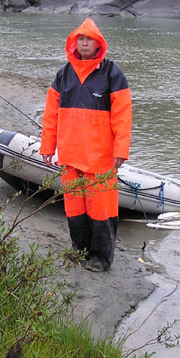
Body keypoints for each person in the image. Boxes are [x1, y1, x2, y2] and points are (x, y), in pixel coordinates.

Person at [40, 18, 132, 272]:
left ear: (98, 43)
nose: (83, 42)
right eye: (79, 39)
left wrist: (120, 151)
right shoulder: (64, 74)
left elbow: (123, 117)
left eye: (88, 39)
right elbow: (51, 114)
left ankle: (101, 258)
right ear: (74, 42)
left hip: (100, 158)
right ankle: (79, 249)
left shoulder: (113, 74)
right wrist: (48, 146)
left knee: (101, 209)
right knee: (74, 207)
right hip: (69, 156)